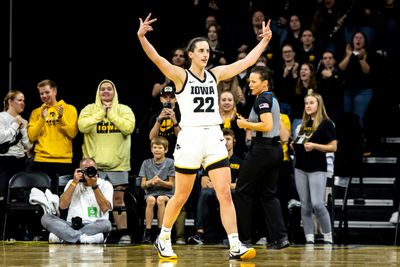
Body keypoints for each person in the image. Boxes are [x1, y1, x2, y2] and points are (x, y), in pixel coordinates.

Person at [137, 12, 273, 260]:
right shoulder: (181, 75)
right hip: (190, 138)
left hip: (213, 136)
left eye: (207, 50)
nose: (205, 53)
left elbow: (244, 64)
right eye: (200, 50)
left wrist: (264, 42)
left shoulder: (215, 74)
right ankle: (164, 236)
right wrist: (142, 37)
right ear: (190, 54)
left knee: (224, 193)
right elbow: (157, 59)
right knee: (181, 195)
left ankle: (235, 244)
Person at [234, 66, 290, 250]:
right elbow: (278, 130)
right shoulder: (271, 97)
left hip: (262, 150)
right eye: (249, 81)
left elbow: (267, 125)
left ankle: (244, 239)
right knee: (268, 195)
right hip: (275, 150)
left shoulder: (263, 99)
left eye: (253, 81)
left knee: (242, 191)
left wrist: (245, 124)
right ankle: (280, 238)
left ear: (264, 83)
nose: (249, 84)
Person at [77, 79, 135, 244]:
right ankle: (94, 233)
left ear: (114, 92)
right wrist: (101, 113)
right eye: (103, 89)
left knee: (118, 201)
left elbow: (128, 128)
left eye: (109, 89)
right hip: (94, 166)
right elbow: (82, 127)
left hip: (118, 165)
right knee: (93, 200)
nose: (106, 91)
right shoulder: (89, 109)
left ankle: (124, 234)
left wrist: (111, 115)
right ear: (98, 92)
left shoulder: (124, 110)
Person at [291, 92, 337, 245]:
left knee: (317, 204)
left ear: (318, 105)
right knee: (305, 205)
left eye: (311, 103)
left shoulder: (326, 123)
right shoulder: (303, 125)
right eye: (306, 103)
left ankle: (328, 236)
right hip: (300, 168)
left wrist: (315, 146)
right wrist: (294, 146)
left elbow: (333, 147)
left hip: (317, 168)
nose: (308, 106)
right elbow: (302, 146)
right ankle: (309, 239)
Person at [41, 157, 114, 244]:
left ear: (96, 170)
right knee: (46, 218)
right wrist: (74, 182)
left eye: (91, 169)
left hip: (94, 225)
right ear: (79, 171)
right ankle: (84, 239)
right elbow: (62, 206)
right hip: (71, 225)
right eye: (85, 170)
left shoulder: (105, 185)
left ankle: (65, 238)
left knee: (106, 224)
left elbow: (105, 208)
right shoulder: (72, 183)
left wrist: (94, 186)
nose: (88, 172)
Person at [187, 128, 241, 245]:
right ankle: (199, 234)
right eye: (223, 139)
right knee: (205, 192)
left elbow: (239, 185)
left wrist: (219, 185)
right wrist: (223, 185)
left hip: (229, 192)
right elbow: (204, 183)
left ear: (234, 141)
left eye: (228, 139)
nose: (225, 142)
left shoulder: (239, 161)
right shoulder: (211, 160)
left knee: (234, 193)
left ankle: (232, 236)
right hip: (214, 191)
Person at [27, 79, 78, 194]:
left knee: (63, 198)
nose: (44, 95)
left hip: (63, 161)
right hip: (41, 160)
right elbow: (31, 137)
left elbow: (72, 133)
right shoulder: (36, 112)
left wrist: (61, 119)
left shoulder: (70, 109)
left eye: (47, 92)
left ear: (54, 91)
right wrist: (41, 119)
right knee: (42, 199)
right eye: (41, 93)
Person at [0, 90, 33, 235]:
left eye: (24, 100)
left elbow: (28, 146)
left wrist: (23, 128)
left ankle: (16, 232)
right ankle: (2, 231)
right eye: (19, 100)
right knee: (2, 196)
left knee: (18, 197)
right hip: (4, 161)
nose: (23, 103)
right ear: (10, 102)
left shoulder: (23, 120)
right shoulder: (2, 117)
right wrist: (14, 125)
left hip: (20, 162)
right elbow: (1, 138)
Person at [139, 136, 175, 244]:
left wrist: (160, 182)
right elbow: (143, 185)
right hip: (151, 192)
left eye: (160, 148)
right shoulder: (146, 163)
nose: (157, 150)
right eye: (155, 147)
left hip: (166, 193)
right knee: (150, 200)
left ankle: (161, 232)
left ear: (165, 150)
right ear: (151, 149)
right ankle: (148, 232)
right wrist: (151, 182)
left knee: (160, 199)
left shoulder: (170, 163)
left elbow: (171, 185)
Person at [149, 85, 181, 159]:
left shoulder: (182, 115)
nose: (168, 100)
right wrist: (159, 120)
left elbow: (182, 137)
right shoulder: (155, 116)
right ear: (161, 99)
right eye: (165, 97)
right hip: (160, 157)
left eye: (171, 97)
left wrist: (174, 120)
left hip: (177, 155)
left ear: (176, 99)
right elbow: (152, 138)